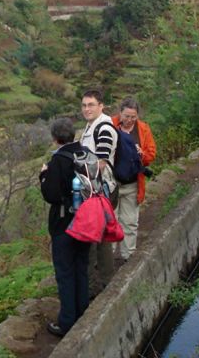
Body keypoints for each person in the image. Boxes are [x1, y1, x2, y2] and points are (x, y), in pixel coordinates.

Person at [39, 117, 91, 337]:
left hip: (64, 224)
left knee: (65, 273)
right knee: (81, 267)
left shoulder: (58, 160)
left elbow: (51, 195)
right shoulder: (85, 153)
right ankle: (83, 312)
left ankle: (67, 322)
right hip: (87, 220)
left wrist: (43, 175)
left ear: (54, 138)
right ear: (73, 134)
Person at [79, 88, 118, 293]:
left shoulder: (103, 128)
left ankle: (94, 287)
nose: (87, 109)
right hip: (95, 192)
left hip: (100, 192)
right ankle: (105, 281)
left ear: (101, 106)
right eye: (84, 105)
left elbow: (100, 163)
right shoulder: (91, 126)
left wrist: (76, 170)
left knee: (93, 240)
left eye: (91, 104)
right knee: (101, 238)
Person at [111, 96, 157, 261]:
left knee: (130, 221)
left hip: (133, 184)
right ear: (120, 113)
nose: (129, 120)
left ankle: (127, 256)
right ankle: (108, 257)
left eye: (133, 117)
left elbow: (151, 154)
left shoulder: (143, 129)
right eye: (126, 116)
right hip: (112, 183)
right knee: (111, 221)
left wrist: (141, 154)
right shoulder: (110, 125)